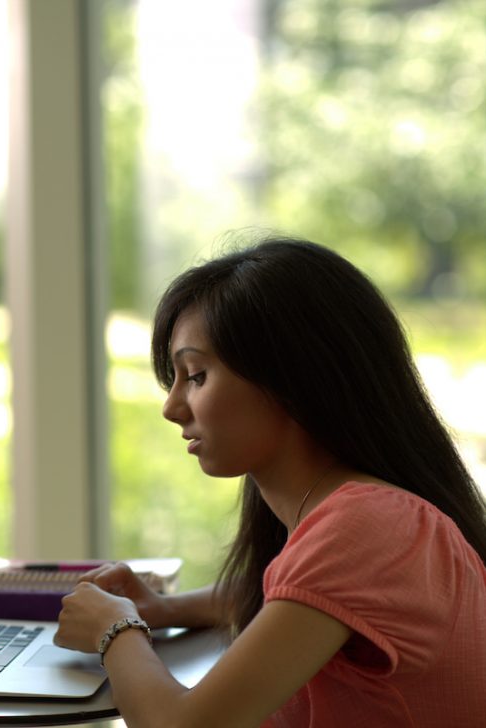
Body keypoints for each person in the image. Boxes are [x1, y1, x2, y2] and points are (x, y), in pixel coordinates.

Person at [54, 236, 486, 727]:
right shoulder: (363, 516)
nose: (172, 408)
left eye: (195, 376)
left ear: (291, 376)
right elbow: (298, 599)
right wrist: (165, 608)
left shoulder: (368, 525)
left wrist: (116, 629)